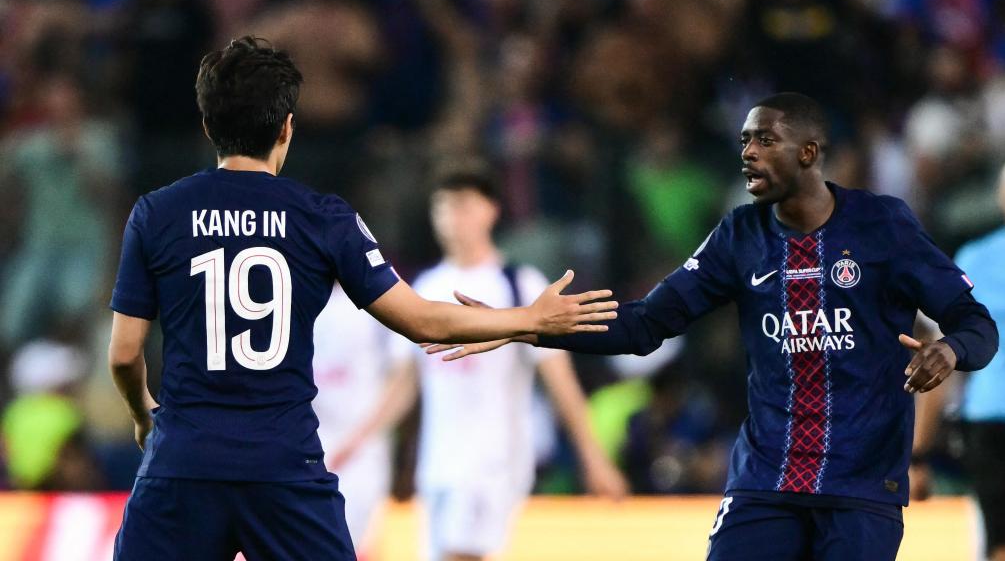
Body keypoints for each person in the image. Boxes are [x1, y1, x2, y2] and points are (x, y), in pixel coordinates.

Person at [106, 36, 617, 561]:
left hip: (183, 463)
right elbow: (422, 322)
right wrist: (528, 319)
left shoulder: (155, 213)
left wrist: (145, 415)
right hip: (285, 469)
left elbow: (124, 354)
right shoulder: (324, 216)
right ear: (286, 128)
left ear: (208, 125)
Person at [432, 92, 999, 561]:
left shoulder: (882, 226)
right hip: (766, 481)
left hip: (860, 485)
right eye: (744, 141)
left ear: (808, 153)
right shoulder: (739, 237)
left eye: (764, 140)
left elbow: (976, 324)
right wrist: (527, 324)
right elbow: (645, 324)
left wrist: (949, 350)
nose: (748, 153)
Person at [333, 165, 628, 561]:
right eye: (445, 208)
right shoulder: (424, 289)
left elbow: (560, 382)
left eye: (463, 207)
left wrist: (594, 458)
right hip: (437, 466)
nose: (453, 219)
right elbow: (405, 384)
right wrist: (355, 440)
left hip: (492, 463)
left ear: (490, 211)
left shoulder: (518, 284)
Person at [912, 158, 1005, 561]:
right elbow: (939, 359)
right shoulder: (977, 261)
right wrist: (918, 454)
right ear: (1002, 198)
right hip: (993, 426)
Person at [311, 285, 394, 557]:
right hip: (307, 448)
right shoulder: (295, 291)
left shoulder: (379, 296)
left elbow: (401, 374)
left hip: (361, 453)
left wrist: (361, 437)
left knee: (352, 545)